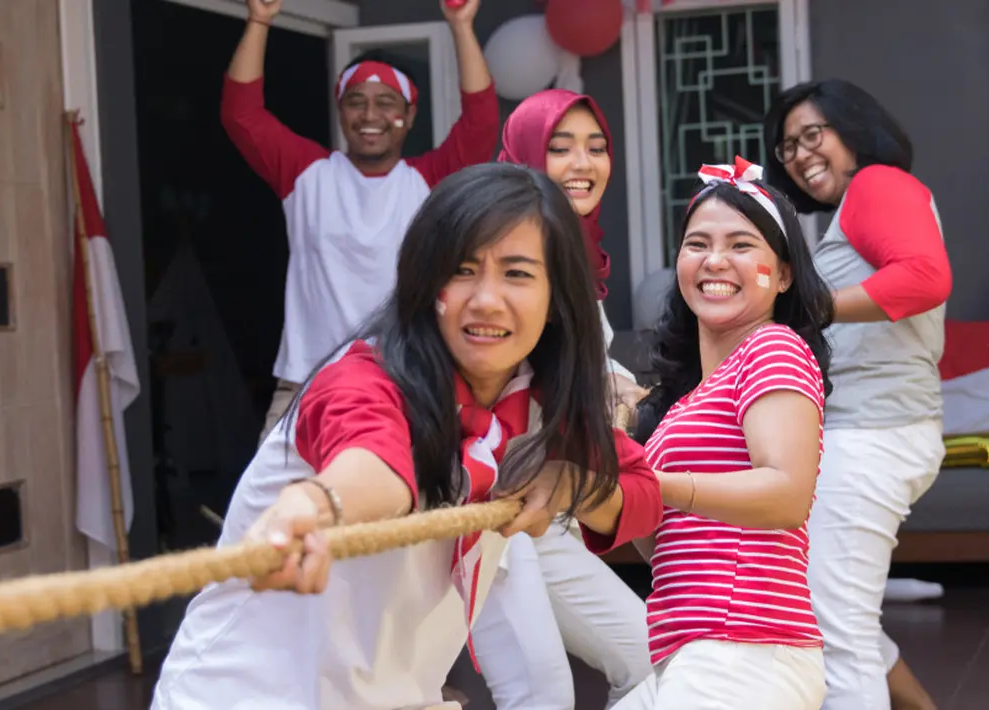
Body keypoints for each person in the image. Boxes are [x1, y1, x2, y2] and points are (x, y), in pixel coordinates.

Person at [149, 163, 664, 710]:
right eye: (463, 270)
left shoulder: (541, 402)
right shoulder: (363, 377)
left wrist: (570, 487)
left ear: (558, 295)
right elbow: (374, 460)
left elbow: (642, 493)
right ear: (425, 283)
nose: (486, 299)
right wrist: (313, 505)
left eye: (517, 273)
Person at [223, 0, 500, 440]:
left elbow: (481, 123)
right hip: (306, 383)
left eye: (385, 103)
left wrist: (461, 25)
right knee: (273, 508)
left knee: (399, 508)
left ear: (409, 115)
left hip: (403, 382)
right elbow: (241, 114)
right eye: (357, 102)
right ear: (340, 110)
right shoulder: (305, 174)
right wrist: (259, 19)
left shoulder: (428, 182)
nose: (370, 116)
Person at [616, 157, 835, 709]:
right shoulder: (686, 398)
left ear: (782, 274)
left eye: (741, 245)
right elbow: (663, 540)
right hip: (697, 649)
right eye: (697, 244)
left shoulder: (773, 347)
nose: (715, 260)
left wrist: (655, 483)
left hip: (744, 650)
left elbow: (787, 495)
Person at [764, 78, 953, 710]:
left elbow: (926, 278)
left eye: (812, 134)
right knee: (839, 614)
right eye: (787, 146)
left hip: (872, 436)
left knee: (831, 633)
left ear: (853, 127)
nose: (798, 154)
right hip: (871, 434)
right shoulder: (854, 210)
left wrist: (812, 306)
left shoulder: (878, 182)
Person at [469, 89, 652, 709]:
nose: (584, 163)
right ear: (522, 156)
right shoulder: (506, 258)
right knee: (542, 695)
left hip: (548, 512)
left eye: (596, 148)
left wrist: (614, 382)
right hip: (487, 512)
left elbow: (580, 362)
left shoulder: (574, 259)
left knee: (651, 661)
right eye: (560, 147)